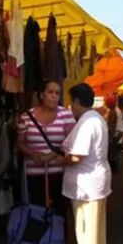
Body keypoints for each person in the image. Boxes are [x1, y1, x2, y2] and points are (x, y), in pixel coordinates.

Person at [62, 83, 112, 244]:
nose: (69, 107)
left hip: (87, 184)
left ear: (76, 101)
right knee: (96, 228)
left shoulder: (86, 122)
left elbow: (77, 156)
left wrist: (58, 160)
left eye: (70, 102)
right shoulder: (96, 119)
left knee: (86, 230)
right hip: (96, 181)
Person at [17, 80, 76, 215]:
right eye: (50, 92)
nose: (54, 96)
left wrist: (54, 155)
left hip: (59, 173)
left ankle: (59, 236)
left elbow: (71, 143)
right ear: (41, 95)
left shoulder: (66, 115)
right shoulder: (26, 117)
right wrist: (32, 154)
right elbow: (20, 143)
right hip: (34, 174)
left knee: (59, 213)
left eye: (57, 93)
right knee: (37, 211)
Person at [104, 95, 123, 173]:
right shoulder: (116, 110)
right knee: (114, 151)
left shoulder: (113, 111)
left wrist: (110, 137)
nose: (105, 104)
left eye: (106, 102)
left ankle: (113, 169)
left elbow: (112, 125)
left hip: (115, 133)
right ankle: (115, 168)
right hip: (118, 132)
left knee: (112, 152)